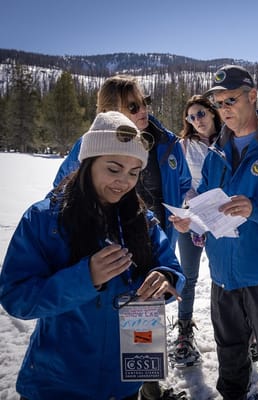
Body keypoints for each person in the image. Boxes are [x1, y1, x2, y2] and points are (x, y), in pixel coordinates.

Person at [0, 111, 186, 400]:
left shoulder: (141, 219)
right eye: (113, 168)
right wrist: (84, 278)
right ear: (88, 163)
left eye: (134, 173)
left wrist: (165, 277)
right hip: (57, 384)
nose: (123, 182)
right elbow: (15, 297)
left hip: (124, 382)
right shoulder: (44, 219)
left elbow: (170, 266)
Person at [169, 64, 258, 400]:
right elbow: (206, 199)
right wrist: (190, 219)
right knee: (230, 357)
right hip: (223, 275)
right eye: (219, 104)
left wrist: (256, 209)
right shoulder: (217, 150)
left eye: (231, 100)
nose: (224, 110)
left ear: (252, 95)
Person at [53, 74, 191, 247]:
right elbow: (61, 191)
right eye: (133, 106)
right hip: (108, 248)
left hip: (160, 243)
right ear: (110, 110)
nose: (143, 110)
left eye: (144, 102)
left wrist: (178, 214)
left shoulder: (168, 143)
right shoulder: (90, 145)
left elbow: (183, 182)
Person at [171, 94, 221, 367]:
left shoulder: (229, 140)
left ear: (212, 112)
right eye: (191, 117)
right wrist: (191, 202)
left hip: (224, 217)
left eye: (200, 114)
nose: (196, 120)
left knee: (227, 277)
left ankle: (246, 336)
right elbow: (181, 182)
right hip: (191, 218)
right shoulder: (183, 146)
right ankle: (184, 332)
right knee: (188, 277)